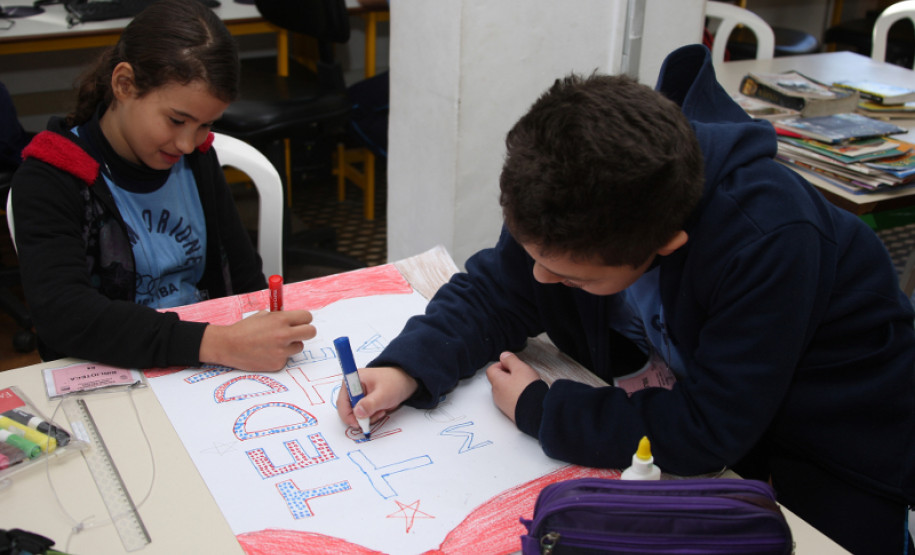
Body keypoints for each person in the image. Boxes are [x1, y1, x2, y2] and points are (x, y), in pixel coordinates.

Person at [338, 44, 915, 554]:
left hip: (833, 438)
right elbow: (498, 289)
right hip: (716, 401)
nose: (538, 278)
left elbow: (709, 429)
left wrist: (544, 409)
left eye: (570, 277)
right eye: (533, 253)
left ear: (666, 246)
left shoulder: (768, 241)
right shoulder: (575, 193)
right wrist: (406, 367)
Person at [11, 0, 314, 372]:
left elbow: (243, 273)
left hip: (202, 363)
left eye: (204, 125)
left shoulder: (196, 158)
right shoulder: (52, 176)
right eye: (175, 120)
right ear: (124, 84)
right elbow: (66, 317)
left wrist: (257, 332)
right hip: (109, 367)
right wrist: (216, 342)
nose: (188, 144)